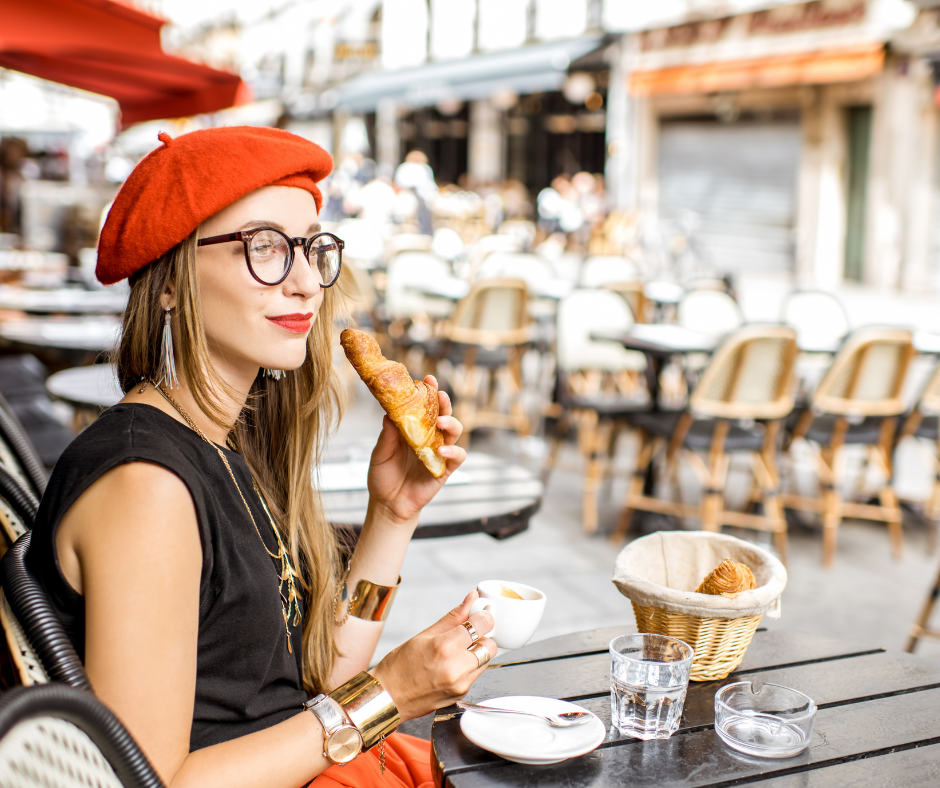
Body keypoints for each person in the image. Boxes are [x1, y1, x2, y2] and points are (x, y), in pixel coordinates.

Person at [26, 126, 496, 788]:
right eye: (265, 247)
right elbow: (152, 782)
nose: (305, 283)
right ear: (169, 280)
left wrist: (393, 514)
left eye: (311, 247)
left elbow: (314, 681)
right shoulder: (146, 486)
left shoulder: (227, 444)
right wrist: (388, 694)